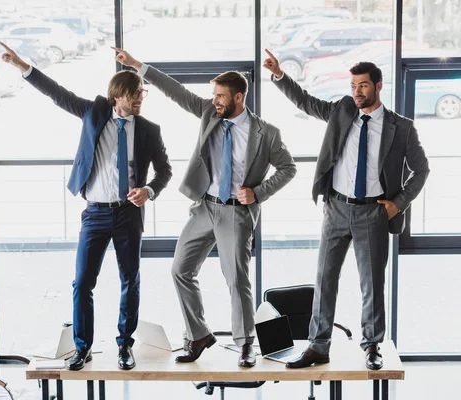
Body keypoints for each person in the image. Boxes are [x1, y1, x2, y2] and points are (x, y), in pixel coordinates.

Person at [113, 46, 296, 368]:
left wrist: (258, 192)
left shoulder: (266, 133)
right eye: (214, 95)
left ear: (239, 97)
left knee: (236, 279)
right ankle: (198, 335)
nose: (215, 101)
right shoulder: (210, 113)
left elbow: (288, 168)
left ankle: (244, 344)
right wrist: (136, 65)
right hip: (205, 207)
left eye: (221, 96)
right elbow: (175, 90)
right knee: (180, 269)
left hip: (236, 213)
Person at [0, 42, 172, 371]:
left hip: (128, 213)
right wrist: (22, 65)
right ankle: (83, 348)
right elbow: (57, 93)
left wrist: (149, 190)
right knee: (82, 282)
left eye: (142, 94)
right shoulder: (94, 113)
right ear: (118, 95)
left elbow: (164, 171)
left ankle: (125, 345)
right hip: (95, 212)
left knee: (129, 280)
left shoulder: (149, 130)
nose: (140, 99)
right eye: (135, 93)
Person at [263, 49, 429, 370]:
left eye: (363, 86)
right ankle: (318, 345)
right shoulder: (342, 110)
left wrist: (398, 203)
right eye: (354, 85)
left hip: (373, 213)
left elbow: (420, 170)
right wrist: (280, 74)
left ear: (378, 86)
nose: (357, 91)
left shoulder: (401, 127)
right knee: (325, 278)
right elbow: (306, 102)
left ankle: (371, 346)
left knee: (371, 282)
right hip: (337, 207)